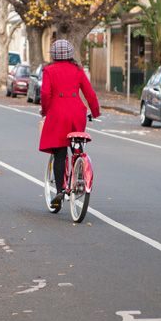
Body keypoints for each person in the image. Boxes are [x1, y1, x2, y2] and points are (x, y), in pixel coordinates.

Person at [39, 39, 100, 209]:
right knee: (76, 147)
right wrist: (95, 112)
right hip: (76, 114)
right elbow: (90, 94)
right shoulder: (78, 71)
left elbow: (45, 94)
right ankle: (79, 172)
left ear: (54, 56)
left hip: (57, 114)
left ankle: (60, 190)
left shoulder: (49, 70)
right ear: (70, 54)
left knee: (60, 153)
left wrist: (45, 110)